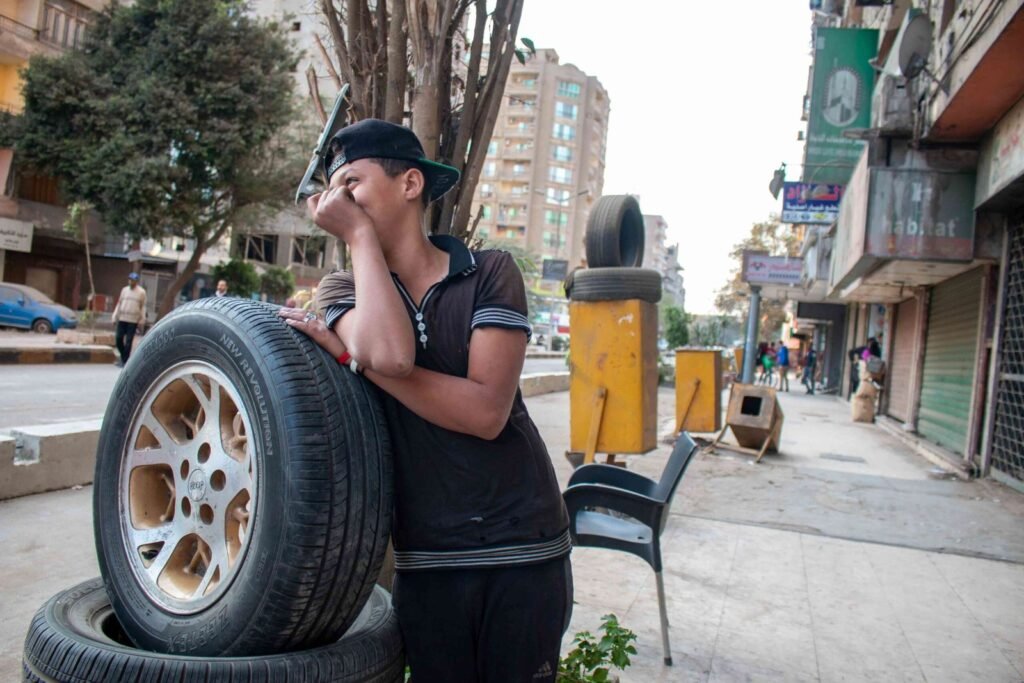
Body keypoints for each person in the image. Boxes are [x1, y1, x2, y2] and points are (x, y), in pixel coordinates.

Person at [277, 119, 571, 682]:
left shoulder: (490, 272)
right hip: (427, 554)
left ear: (410, 184)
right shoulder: (341, 289)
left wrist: (350, 356)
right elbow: (392, 354)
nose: (339, 201)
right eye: (333, 190)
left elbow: (486, 413)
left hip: (522, 545)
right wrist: (361, 242)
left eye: (352, 183)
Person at [111, 272, 146, 367]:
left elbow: (143, 307)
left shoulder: (141, 292)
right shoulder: (124, 290)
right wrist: (114, 316)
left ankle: (125, 361)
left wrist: (142, 319)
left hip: (133, 320)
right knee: (118, 339)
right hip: (122, 318)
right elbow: (119, 304)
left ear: (136, 282)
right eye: (130, 280)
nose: (131, 282)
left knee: (128, 341)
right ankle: (124, 357)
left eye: (133, 280)